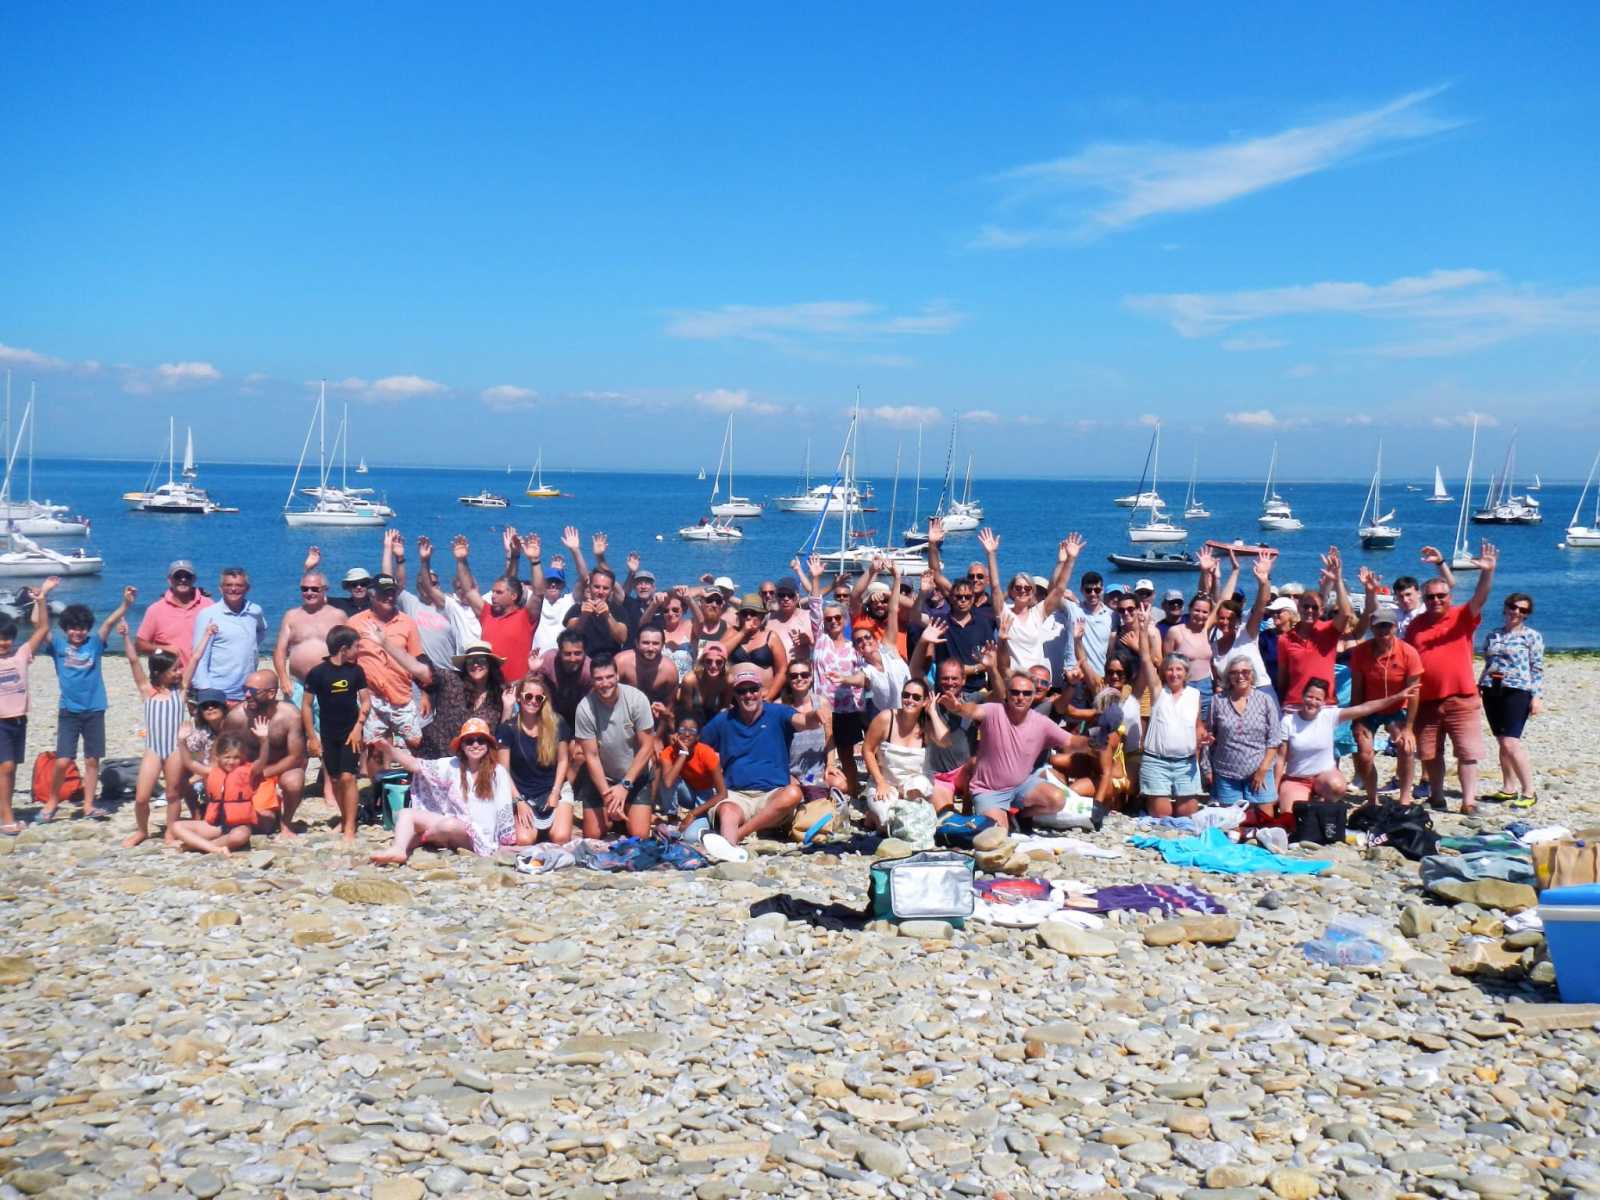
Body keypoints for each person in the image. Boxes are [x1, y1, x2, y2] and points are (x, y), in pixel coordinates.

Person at [1406, 542, 1498, 814]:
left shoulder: (1461, 616)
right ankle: (1436, 796)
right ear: (1424, 599)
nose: (1436, 600)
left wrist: (1487, 572)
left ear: (1449, 596)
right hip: (1426, 701)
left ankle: (1469, 801)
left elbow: (1480, 597)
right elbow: (1408, 660)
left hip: (1461, 697)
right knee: (1429, 753)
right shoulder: (1415, 625)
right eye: (1430, 597)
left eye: (1441, 596)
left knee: (1467, 753)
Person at [698, 663, 822, 854]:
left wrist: (816, 715)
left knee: (793, 794)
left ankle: (738, 835)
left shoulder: (778, 713)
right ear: (735, 695)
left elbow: (804, 721)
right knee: (727, 811)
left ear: (762, 691)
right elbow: (699, 748)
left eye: (753, 689)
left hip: (772, 794)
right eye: (742, 691)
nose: (748, 695)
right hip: (737, 794)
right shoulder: (724, 719)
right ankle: (728, 849)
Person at [936, 667, 1079, 832]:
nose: (1020, 697)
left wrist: (1094, 742)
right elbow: (973, 710)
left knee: (1058, 799)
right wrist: (958, 708)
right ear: (1007, 694)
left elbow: (1072, 740)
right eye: (1015, 692)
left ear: (1034, 695)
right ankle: (992, 814)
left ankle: (1021, 816)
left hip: (1023, 783)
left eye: (1026, 693)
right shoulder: (993, 710)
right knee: (999, 833)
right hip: (990, 790)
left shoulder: (1043, 718)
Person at [39, 585, 134, 821]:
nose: (77, 632)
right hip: (69, 711)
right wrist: (42, 598)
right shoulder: (58, 646)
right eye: (73, 628)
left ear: (87, 628)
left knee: (92, 760)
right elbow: (42, 627)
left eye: (81, 628)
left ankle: (89, 805)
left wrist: (125, 604)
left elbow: (109, 622)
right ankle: (52, 801)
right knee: (63, 760)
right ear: (65, 628)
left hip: (95, 709)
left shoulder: (95, 644)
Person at [369, 717, 516, 864]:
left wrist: (505, 841)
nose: (475, 745)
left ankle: (426, 837)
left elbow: (504, 807)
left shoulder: (498, 772)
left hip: (480, 835)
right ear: (462, 745)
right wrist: (388, 749)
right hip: (454, 823)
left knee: (448, 825)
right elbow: (416, 765)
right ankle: (398, 850)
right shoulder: (452, 765)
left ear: (488, 745)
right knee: (406, 813)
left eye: (481, 740)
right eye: (470, 741)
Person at [1277, 676, 1420, 816]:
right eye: (1309, 697)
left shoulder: (1328, 716)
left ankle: (1322, 801)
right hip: (1297, 778)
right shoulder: (1288, 721)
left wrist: (1397, 697)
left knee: (1337, 786)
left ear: (1324, 702)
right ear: (1302, 696)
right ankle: (1306, 797)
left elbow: (1365, 708)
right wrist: (1274, 790)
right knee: (1290, 815)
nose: (1313, 702)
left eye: (1318, 699)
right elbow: (1280, 759)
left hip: (1324, 776)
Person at [118, 620, 204, 847]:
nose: (179, 672)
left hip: (175, 749)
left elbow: (195, 658)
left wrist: (207, 634)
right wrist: (126, 637)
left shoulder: (181, 691)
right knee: (141, 797)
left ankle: (170, 832)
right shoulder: (147, 691)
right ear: (159, 673)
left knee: (173, 794)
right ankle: (142, 831)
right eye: (174, 669)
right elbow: (133, 660)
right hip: (154, 749)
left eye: (179, 668)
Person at [347, 573, 432, 775]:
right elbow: (348, 661)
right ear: (372, 595)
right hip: (371, 698)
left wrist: (425, 694)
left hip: (402, 695)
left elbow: (418, 660)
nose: (390, 597)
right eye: (384, 593)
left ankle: (419, 785)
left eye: (393, 593)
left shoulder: (407, 622)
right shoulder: (355, 622)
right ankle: (378, 790)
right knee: (375, 749)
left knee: (416, 744)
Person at [1347, 603, 1423, 808]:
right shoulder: (1361, 652)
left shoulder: (1408, 652)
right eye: (1379, 626)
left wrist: (1409, 728)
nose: (1383, 631)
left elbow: (1414, 692)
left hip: (1397, 708)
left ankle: (1405, 797)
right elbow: (1357, 689)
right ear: (1372, 628)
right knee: (1364, 752)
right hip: (1370, 708)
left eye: (1387, 626)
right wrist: (1357, 720)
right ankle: (1372, 797)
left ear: (1395, 627)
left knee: (1406, 747)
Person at [573, 653, 656, 839]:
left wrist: (625, 785)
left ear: (617, 675)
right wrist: (608, 796)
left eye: (609, 677)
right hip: (604, 777)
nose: (605, 683)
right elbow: (591, 756)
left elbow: (647, 747)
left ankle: (628, 812)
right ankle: (614, 815)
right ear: (592, 681)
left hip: (635, 776)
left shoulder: (637, 699)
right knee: (593, 834)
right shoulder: (585, 708)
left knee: (639, 835)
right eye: (599, 679)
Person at [978, 529, 1080, 680]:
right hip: (1013, 680)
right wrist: (991, 554)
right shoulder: (1004, 613)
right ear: (1011, 591)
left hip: (1036, 681)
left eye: (1027, 588)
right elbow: (995, 586)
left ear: (1032, 593)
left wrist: (1070, 560)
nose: (1022, 591)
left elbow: (1059, 590)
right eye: (1018, 587)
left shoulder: (1037, 613)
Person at [1135, 614, 1207, 818]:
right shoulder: (1158, 691)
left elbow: (1198, 726)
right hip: (1156, 762)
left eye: (1179, 670)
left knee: (1188, 816)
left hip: (1186, 763)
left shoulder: (1195, 695)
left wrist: (1202, 738)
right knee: (1162, 817)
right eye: (1170, 669)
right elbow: (1145, 658)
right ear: (1164, 672)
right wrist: (1143, 629)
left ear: (1186, 673)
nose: (1174, 674)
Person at [302, 626, 371, 840]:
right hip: (328, 733)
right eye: (356, 646)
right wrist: (312, 737)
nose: (358, 650)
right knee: (335, 779)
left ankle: (350, 826)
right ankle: (345, 818)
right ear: (343, 649)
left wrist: (359, 727)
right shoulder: (317, 673)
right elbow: (306, 706)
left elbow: (366, 701)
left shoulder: (356, 671)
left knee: (348, 777)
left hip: (351, 732)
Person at [0, 579, 57, 834]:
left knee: (11, 769)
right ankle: (7, 818)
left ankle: (5, 810)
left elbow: (43, 628)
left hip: (19, 719)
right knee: (6, 767)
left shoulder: (21, 654)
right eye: (0, 639)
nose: (4, 643)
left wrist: (41, 599)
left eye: (7, 638)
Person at [220, 670, 307, 836]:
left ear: (271, 693)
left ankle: (286, 822)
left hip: (279, 769)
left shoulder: (290, 716)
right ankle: (270, 810)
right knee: (263, 827)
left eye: (253, 691)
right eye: (244, 689)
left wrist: (264, 773)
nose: (246, 695)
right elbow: (222, 749)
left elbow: (296, 757)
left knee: (294, 780)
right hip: (250, 771)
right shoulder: (237, 717)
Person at [170, 726, 279, 854]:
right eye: (227, 757)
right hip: (217, 825)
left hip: (239, 826)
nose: (231, 761)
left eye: (236, 757)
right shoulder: (210, 771)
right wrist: (182, 741)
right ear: (218, 757)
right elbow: (190, 763)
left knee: (240, 836)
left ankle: (196, 846)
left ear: (243, 757)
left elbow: (262, 761)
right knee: (176, 826)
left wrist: (264, 741)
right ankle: (214, 848)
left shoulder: (249, 771)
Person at [1479, 590, 1543, 808]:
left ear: (1527, 614)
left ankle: (1529, 791)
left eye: (1522, 610)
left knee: (1511, 741)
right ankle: (1508, 788)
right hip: (1491, 689)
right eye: (1513, 607)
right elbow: (1488, 663)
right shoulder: (1493, 635)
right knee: (1501, 740)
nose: (1517, 612)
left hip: (1518, 690)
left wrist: (1536, 697)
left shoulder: (1531, 636)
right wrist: (1479, 686)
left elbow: (1537, 668)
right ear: (1505, 608)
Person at [452, 533, 542, 684]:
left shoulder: (525, 617)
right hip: (491, 688)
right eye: (493, 592)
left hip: (517, 687)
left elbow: (539, 593)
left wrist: (535, 561)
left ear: (513, 596)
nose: (493, 596)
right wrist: (461, 561)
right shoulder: (487, 614)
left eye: (499, 592)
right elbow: (469, 590)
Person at [861, 678, 948, 829]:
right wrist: (880, 782)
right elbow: (867, 749)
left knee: (913, 821)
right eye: (906, 695)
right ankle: (873, 816)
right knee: (888, 823)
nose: (910, 700)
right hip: (885, 782)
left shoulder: (926, 725)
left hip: (914, 784)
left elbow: (945, 741)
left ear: (924, 702)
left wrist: (933, 712)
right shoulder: (887, 718)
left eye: (916, 697)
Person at [497, 675, 574, 845]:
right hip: (523, 794)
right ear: (519, 698)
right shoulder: (507, 729)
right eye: (528, 696)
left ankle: (552, 825)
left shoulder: (557, 723)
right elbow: (503, 771)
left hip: (554, 788)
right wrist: (518, 801)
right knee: (524, 840)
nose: (533, 701)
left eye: (539, 698)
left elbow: (563, 760)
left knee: (560, 838)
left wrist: (555, 792)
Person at [1275, 548, 1356, 706]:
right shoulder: (1284, 639)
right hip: (1294, 705)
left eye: (1314, 607)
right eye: (1306, 606)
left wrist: (1338, 579)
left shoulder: (1329, 630)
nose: (1310, 611)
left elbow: (1346, 613)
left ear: (1322, 611)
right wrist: (1281, 705)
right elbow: (1283, 678)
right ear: (1298, 608)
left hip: (1326, 704)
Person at [1204, 651, 1282, 808]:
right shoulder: (1217, 701)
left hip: (1259, 770)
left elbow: (1274, 740)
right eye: (1234, 673)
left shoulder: (1265, 700)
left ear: (1252, 675)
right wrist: (1207, 769)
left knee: (1264, 820)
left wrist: (1262, 769)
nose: (1240, 676)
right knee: (1232, 822)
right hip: (1226, 773)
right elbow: (1209, 737)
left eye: (1245, 672)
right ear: (1228, 677)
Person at [810, 595, 868, 797]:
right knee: (820, 752)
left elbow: (862, 676)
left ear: (844, 620)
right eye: (828, 619)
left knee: (846, 754)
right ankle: (819, 790)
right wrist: (815, 580)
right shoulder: (821, 640)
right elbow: (815, 607)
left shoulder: (854, 647)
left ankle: (852, 791)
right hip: (821, 707)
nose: (833, 621)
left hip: (847, 708)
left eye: (837, 617)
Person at [380, 532, 463, 669]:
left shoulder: (449, 605)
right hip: (420, 670)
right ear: (417, 586)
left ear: (439, 586)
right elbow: (387, 582)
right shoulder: (410, 603)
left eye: (432, 583)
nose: (427, 586)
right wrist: (398, 557)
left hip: (449, 670)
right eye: (422, 583)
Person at [418, 640, 509, 759]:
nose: (475, 664)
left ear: (490, 664)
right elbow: (421, 670)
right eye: (470, 661)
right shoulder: (451, 680)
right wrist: (392, 647)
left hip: (475, 762)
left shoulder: (500, 694)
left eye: (481, 660)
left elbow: (504, 734)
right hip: (436, 757)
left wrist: (508, 707)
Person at [190, 567, 268, 703]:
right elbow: (199, 655)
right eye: (228, 585)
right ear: (220, 588)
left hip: (247, 691)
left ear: (247, 588)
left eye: (239, 585)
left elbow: (262, 630)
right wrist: (205, 689)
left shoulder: (255, 611)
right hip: (217, 691)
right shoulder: (208, 615)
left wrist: (249, 646)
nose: (233, 589)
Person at [134, 560, 208, 666]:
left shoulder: (208, 605)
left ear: (194, 579)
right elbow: (140, 646)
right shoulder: (155, 610)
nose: (183, 579)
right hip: (170, 675)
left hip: (203, 675)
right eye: (178, 576)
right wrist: (163, 650)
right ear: (169, 580)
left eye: (187, 576)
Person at [658, 715, 726, 823]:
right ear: (676, 734)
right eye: (682, 730)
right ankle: (672, 818)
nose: (687, 734)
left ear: (698, 737)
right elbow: (668, 783)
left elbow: (722, 793)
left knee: (694, 829)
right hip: (688, 793)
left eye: (692, 731)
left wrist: (693, 813)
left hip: (706, 795)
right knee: (668, 777)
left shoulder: (707, 753)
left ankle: (700, 818)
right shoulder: (668, 752)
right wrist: (683, 754)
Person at [723, 594, 788, 700]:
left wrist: (770, 696)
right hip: (735, 697)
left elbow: (782, 670)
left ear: (761, 616)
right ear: (739, 616)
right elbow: (718, 654)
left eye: (753, 613)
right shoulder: (732, 632)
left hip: (764, 697)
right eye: (745, 613)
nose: (748, 617)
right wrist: (743, 632)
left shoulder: (771, 636)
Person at [616, 624, 680, 725]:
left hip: (652, 720)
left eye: (655, 643)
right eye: (645, 643)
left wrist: (657, 734)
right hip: (620, 716)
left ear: (663, 645)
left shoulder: (669, 671)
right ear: (636, 643)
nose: (650, 648)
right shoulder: (621, 662)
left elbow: (669, 708)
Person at [538, 629, 592, 726]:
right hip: (548, 711)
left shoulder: (589, 670)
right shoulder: (548, 660)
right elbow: (531, 687)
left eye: (577, 653)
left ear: (585, 652)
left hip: (577, 715)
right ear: (559, 652)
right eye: (567, 654)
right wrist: (533, 670)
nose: (572, 659)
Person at [677, 640, 732, 726]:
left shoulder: (728, 681)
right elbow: (686, 712)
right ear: (703, 662)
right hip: (692, 719)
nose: (713, 666)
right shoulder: (690, 680)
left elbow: (725, 708)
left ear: (725, 663)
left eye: (719, 662)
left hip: (714, 720)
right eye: (709, 661)